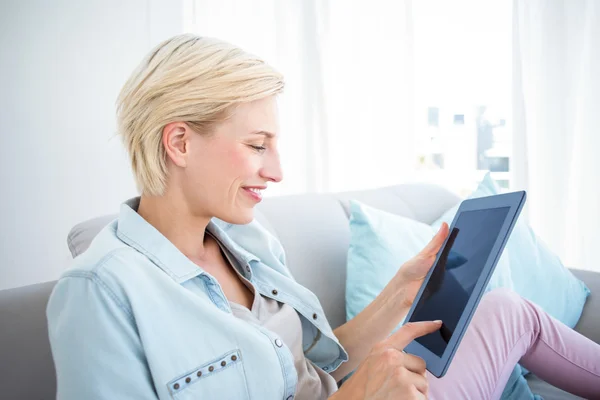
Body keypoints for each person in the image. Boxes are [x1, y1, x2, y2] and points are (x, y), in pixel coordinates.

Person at [46, 34, 600, 400]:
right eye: (258, 145)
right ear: (180, 142)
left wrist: (400, 293)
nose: (278, 170)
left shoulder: (248, 243)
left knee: (506, 311)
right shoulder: (101, 293)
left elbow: (315, 368)